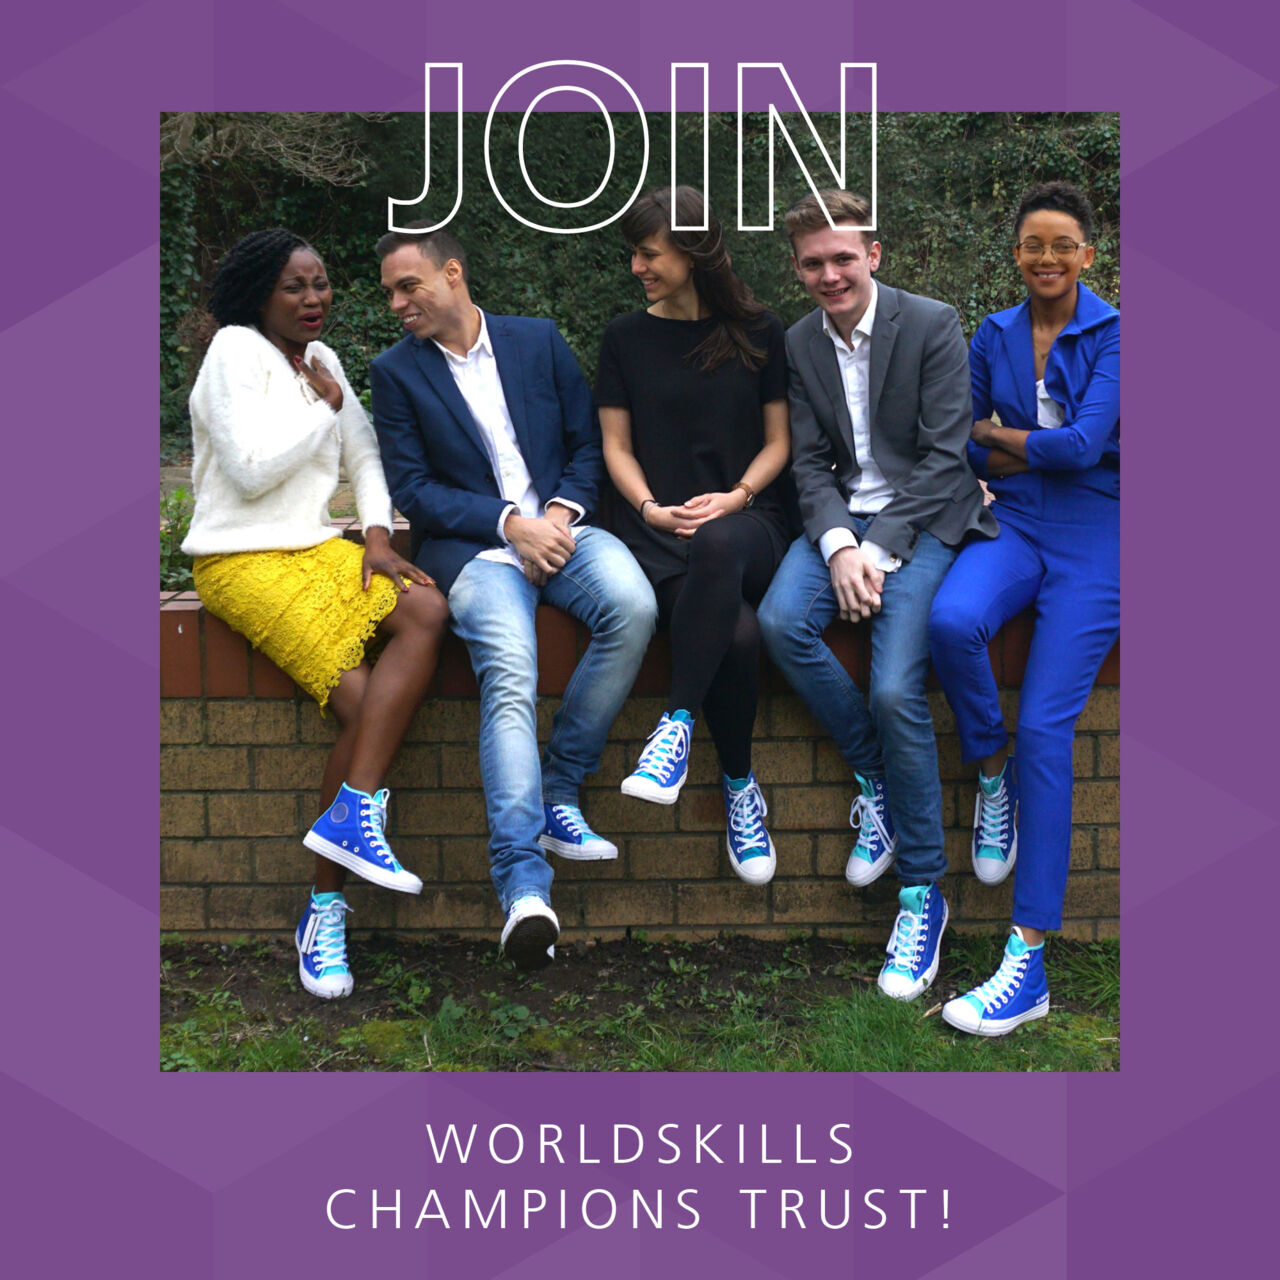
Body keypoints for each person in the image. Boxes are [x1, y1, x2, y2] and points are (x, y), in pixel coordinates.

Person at [370, 224, 657, 971]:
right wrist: (510, 524)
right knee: (510, 672)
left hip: (564, 530)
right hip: (475, 551)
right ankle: (525, 887)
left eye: (409, 286)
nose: (397, 304)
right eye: (390, 293)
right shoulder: (395, 372)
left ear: (452, 273)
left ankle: (560, 787)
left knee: (633, 608)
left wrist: (557, 513)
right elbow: (414, 491)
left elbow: (587, 444)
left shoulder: (537, 340)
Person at [182, 228, 450, 1001]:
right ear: (259, 294)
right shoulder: (234, 351)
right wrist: (323, 409)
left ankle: (352, 812)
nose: (313, 298)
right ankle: (323, 907)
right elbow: (250, 470)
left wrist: (378, 538)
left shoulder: (323, 358)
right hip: (241, 559)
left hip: (317, 547)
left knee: (425, 605)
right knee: (368, 710)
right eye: (294, 286)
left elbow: (364, 455)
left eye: (321, 282)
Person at [757, 190, 997, 1001]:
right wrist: (836, 544)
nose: (830, 275)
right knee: (781, 621)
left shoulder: (931, 322)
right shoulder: (799, 341)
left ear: (874, 255)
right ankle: (881, 780)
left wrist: (874, 548)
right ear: (797, 269)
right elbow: (808, 462)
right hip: (843, 522)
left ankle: (922, 894)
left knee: (895, 690)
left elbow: (945, 457)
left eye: (843, 259)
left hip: (925, 522)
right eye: (813, 264)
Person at [930, 181, 1119, 1036]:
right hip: (1015, 520)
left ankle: (1028, 961)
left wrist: (1004, 438)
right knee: (951, 622)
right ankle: (989, 767)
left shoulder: (1116, 333)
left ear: (1088, 255)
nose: (1048, 258)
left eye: (1063, 245)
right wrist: (1017, 448)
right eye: (1034, 245)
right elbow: (963, 439)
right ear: (1016, 254)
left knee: (1047, 726)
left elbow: (1082, 449)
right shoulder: (994, 332)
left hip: (1098, 534)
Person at [596, 187, 791, 886]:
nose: (637, 268)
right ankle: (740, 788)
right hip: (661, 533)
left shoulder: (761, 330)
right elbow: (616, 446)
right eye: (634, 254)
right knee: (735, 635)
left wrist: (736, 496)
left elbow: (779, 441)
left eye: (649, 254)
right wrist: (650, 508)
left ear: (693, 251)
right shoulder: (624, 337)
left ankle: (675, 724)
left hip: (752, 522)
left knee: (719, 542)